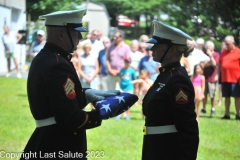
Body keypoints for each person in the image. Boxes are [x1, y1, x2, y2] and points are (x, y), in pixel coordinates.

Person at [21, 9, 120, 160]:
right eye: (76, 32)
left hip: (50, 138)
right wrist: (102, 113)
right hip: (59, 142)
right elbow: (70, 117)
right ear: (61, 34)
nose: (80, 37)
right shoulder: (57, 64)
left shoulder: (47, 58)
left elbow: (57, 98)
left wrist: (85, 94)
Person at [141, 20, 199, 160]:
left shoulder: (177, 79)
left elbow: (188, 128)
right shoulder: (166, 74)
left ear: (172, 50)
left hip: (169, 150)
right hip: (155, 147)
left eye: (157, 45)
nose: (152, 49)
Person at [219, 35, 240, 120]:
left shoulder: (238, 51)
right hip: (225, 78)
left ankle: (237, 114)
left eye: (228, 43)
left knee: (237, 97)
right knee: (226, 97)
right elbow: (219, 64)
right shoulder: (223, 52)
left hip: (236, 79)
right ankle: (227, 114)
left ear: (233, 43)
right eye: (225, 43)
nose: (226, 45)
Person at [201, 40, 219, 115]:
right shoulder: (203, 54)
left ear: (213, 47)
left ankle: (213, 108)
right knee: (204, 94)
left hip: (212, 78)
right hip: (204, 78)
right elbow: (202, 66)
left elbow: (215, 64)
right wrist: (209, 63)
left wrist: (210, 56)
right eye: (207, 46)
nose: (208, 48)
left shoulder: (216, 54)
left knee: (212, 95)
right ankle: (204, 108)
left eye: (209, 46)